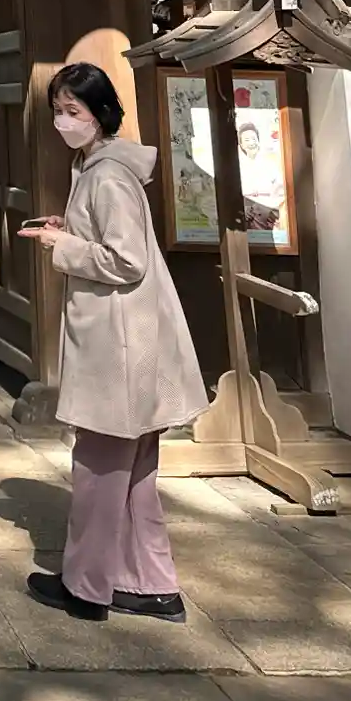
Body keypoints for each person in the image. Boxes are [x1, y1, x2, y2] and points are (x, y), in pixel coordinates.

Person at [20, 61, 208, 623]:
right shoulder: (97, 167)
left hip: (119, 346)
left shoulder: (107, 175)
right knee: (134, 478)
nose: (63, 121)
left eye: (72, 111)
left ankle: (87, 587)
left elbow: (126, 260)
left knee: (99, 474)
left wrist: (63, 247)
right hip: (133, 341)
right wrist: (69, 230)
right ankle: (151, 585)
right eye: (57, 111)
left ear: (100, 114)